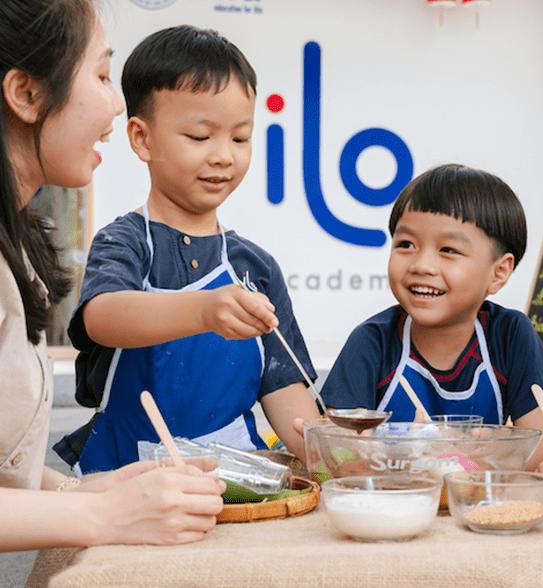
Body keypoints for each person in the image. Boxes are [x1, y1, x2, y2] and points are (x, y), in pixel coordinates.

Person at [1, 0, 224, 551]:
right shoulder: (123, 241)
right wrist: (103, 518)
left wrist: (91, 492)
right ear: (26, 94)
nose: (116, 103)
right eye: (101, 74)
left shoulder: (16, 253)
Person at [54, 25, 320, 474]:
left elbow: (284, 389)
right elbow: (102, 317)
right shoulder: (127, 242)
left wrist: (332, 454)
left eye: (240, 138)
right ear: (142, 139)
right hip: (126, 475)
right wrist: (203, 310)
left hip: (237, 477)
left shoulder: (255, 268)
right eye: (200, 137)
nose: (223, 156)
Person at [318, 164, 543, 427]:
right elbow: (335, 449)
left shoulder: (510, 336)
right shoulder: (372, 343)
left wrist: (492, 450)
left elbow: (542, 444)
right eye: (406, 245)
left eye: (448, 249)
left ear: (498, 273)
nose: (421, 265)